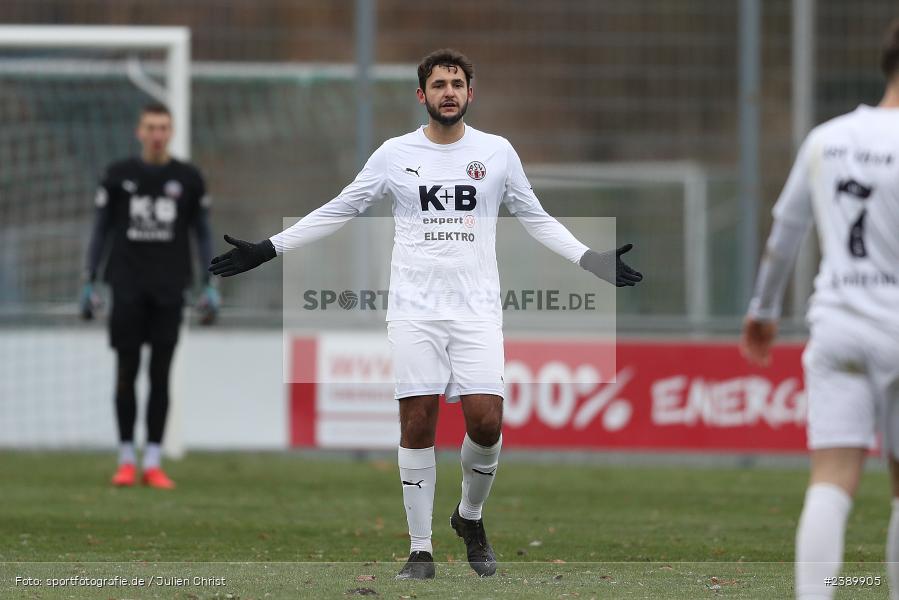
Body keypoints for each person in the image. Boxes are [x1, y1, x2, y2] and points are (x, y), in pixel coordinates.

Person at [209, 49, 642, 579]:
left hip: (477, 311)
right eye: (439, 84)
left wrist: (589, 258)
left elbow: (536, 216)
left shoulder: (497, 152)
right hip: (414, 310)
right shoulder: (395, 153)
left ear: (470, 92)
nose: (449, 92)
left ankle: (470, 516)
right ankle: (420, 549)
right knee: (418, 422)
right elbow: (344, 206)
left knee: (487, 420)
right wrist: (270, 248)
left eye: (457, 83)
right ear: (422, 95)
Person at [741, 21, 899, 600]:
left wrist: (762, 310)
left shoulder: (827, 139)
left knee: (831, 481)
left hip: (838, 325)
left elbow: (785, 236)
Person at [81, 102, 219, 490]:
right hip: (125, 286)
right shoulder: (117, 175)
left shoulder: (188, 178)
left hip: (169, 288)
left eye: (163, 127)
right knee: (126, 372)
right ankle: (127, 457)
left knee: (161, 374)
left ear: (170, 132)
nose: (157, 134)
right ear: (139, 132)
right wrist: (89, 278)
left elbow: (202, 232)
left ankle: (153, 461)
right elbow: (100, 230)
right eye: (150, 127)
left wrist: (210, 282)